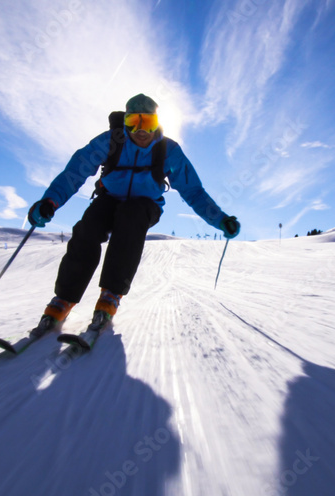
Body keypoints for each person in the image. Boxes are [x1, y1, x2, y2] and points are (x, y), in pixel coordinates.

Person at [26, 93, 240, 334]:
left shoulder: (168, 150)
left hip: (145, 204)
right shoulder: (110, 141)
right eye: (133, 122)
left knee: (131, 217)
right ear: (125, 121)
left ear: (157, 123)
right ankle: (63, 299)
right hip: (110, 198)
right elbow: (74, 173)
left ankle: (110, 295)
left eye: (147, 122)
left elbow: (193, 192)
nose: (140, 130)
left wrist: (220, 219)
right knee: (88, 227)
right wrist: (49, 202)